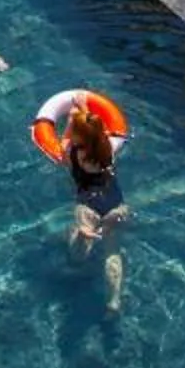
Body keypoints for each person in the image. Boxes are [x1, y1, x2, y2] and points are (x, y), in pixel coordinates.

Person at [61, 96, 127, 307]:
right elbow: (96, 130)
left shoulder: (74, 153)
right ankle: (114, 299)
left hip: (88, 203)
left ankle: (82, 237)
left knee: (77, 253)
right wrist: (84, 109)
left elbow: (63, 143)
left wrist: (71, 121)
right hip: (116, 204)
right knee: (112, 252)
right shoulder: (107, 147)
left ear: (78, 137)